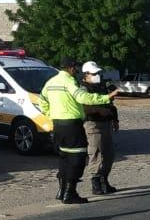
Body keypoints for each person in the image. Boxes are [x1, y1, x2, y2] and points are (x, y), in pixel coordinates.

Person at [38, 58, 119, 205]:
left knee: (64, 157)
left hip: (58, 124)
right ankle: (70, 193)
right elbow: (82, 97)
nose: (76, 70)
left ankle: (62, 191)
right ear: (70, 68)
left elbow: (41, 100)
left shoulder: (51, 82)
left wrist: (51, 114)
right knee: (77, 159)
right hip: (72, 124)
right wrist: (106, 97)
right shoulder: (69, 82)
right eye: (75, 67)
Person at [80, 61, 120, 194]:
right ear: (86, 74)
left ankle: (104, 180)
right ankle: (95, 182)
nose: (97, 75)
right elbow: (84, 107)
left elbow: (111, 105)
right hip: (94, 124)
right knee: (96, 153)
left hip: (107, 123)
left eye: (98, 73)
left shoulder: (101, 86)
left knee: (109, 154)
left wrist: (115, 119)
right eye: (94, 73)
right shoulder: (83, 89)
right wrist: (98, 110)